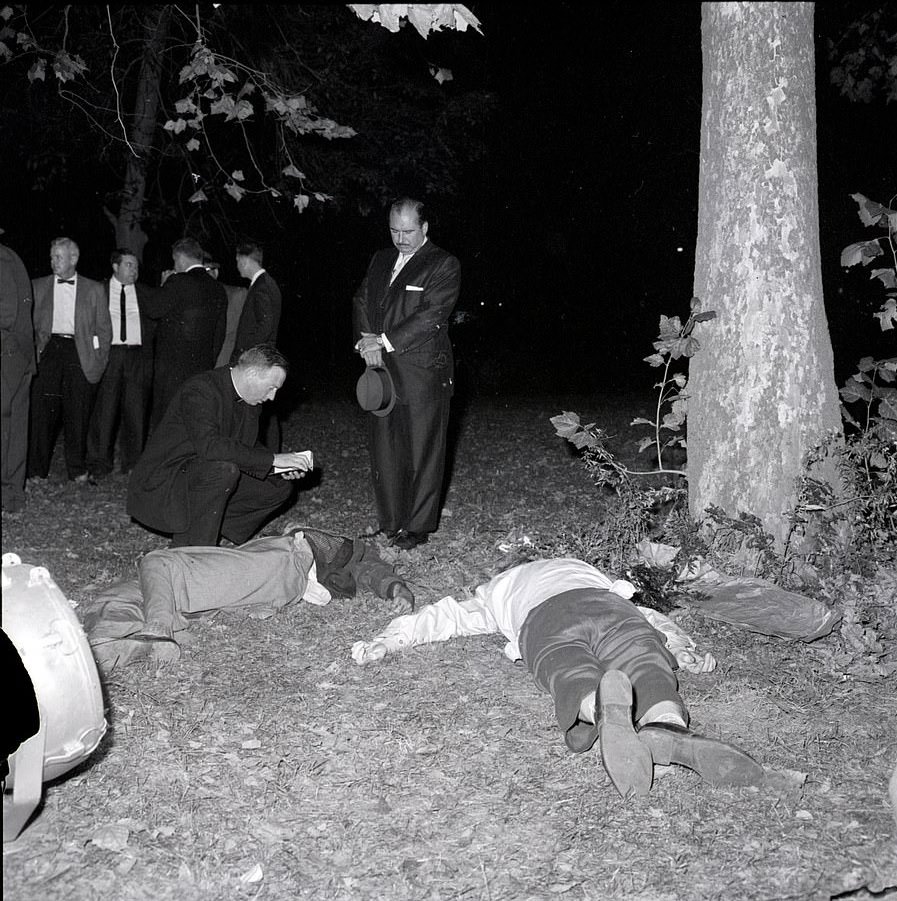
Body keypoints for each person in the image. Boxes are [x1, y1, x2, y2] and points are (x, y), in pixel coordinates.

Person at [352, 556, 765, 799]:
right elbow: (649, 620)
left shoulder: (498, 590)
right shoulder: (586, 570)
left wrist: (389, 640)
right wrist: (679, 646)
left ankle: (597, 705)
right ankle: (666, 720)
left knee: (566, 667)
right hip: (606, 605)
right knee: (643, 657)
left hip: (545, 620)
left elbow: (443, 618)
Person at [352, 197, 461, 550]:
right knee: (385, 446)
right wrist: (366, 342)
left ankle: (417, 527)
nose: (400, 238)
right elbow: (361, 299)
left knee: (421, 450)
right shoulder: (381, 259)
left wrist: (382, 341)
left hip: (421, 372)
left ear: (425, 228)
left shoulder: (443, 264)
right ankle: (391, 521)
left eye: (408, 231)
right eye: (394, 230)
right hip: (380, 368)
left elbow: (431, 316)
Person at [127, 344, 313, 548]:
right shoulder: (201, 388)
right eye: (271, 387)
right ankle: (192, 548)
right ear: (251, 373)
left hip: (203, 474)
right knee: (224, 470)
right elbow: (211, 447)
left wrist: (278, 467)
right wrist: (272, 460)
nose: (272, 397)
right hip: (165, 481)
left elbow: (245, 447)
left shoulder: (251, 402)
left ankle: (214, 526)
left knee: (279, 486)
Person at [28, 237, 111, 482]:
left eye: (58, 257)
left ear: (73, 259)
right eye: (52, 256)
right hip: (49, 350)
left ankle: (77, 470)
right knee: (43, 412)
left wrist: (97, 361)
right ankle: (36, 470)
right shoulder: (38, 286)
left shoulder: (94, 289)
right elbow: (30, 327)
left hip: (79, 351)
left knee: (78, 412)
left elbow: (104, 330)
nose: (53, 262)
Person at [86, 248, 156, 480]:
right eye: (129, 265)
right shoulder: (100, 290)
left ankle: (133, 464)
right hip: (111, 354)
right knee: (105, 411)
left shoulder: (145, 293)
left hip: (137, 356)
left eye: (136, 266)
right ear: (115, 267)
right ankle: (99, 463)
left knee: (136, 411)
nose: (134, 270)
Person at [146, 237, 226, 430]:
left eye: (175, 261)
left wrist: (164, 284)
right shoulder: (217, 288)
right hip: (202, 367)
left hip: (171, 370)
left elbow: (152, 310)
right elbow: (219, 333)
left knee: (167, 421)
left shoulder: (177, 281)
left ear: (180, 258)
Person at [231, 240, 283, 450]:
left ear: (244, 260)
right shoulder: (269, 283)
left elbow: (266, 322)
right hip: (265, 359)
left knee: (253, 415)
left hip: (257, 362)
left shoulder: (261, 286)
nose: (236, 266)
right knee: (266, 416)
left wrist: (248, 356)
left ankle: (261, 459)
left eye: (237, 261)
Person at [1, 237, 36, 512]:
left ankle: (9, 494)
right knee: (14, 428)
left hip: (8, 354)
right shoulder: (10, 255)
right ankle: (12, 496)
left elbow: (8, 312)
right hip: (18, 355)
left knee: (7, 429)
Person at [206, 260, 248, 368]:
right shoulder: (189, 297)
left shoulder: (236, 295)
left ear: (215, 272)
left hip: (224, 364)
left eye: (206, 270)